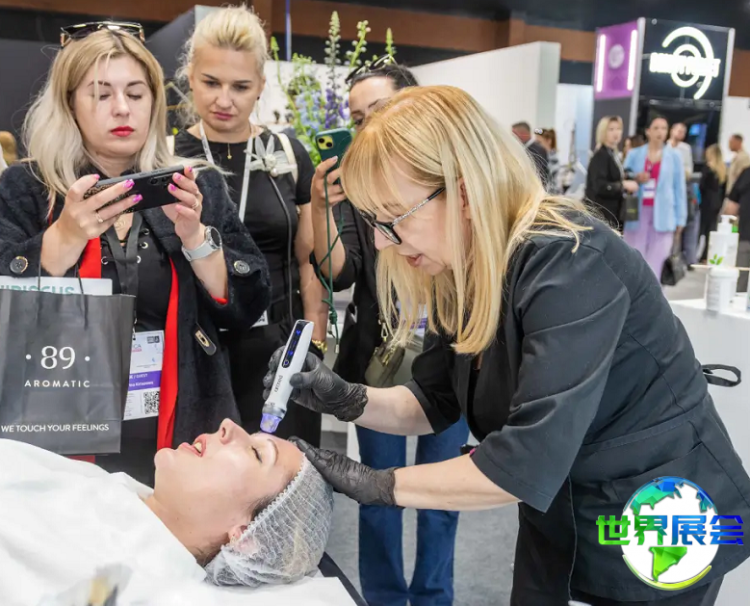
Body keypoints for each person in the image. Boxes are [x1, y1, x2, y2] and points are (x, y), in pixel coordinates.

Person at [263, 86, 750, 605]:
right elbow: (435, 400)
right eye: (373, 222)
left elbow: (526, 460)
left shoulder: (572, 262)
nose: (382, 241)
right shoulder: (465, 269)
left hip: (659, 514)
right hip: (562, 511)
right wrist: (345, 398)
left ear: (464, 192)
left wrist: (380, 484)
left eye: (393, 218)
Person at [0, 23, 270, 486]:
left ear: (154, 102)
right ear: (69, 103)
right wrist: (62, 239)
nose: (122, 108)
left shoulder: (195, 185)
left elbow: (248, 306)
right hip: (59, 428)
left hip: (181, 428)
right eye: (101, 94)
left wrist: (196, 239)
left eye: (136, 93)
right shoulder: (29, 188)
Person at [309, 58, 469, 606]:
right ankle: (382, 599)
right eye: (358, 119)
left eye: (379, 110)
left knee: (443, 494)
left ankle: (433, 598)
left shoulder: (452, 188)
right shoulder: (357, 193)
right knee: (375, 490)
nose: (368, 128)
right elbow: (339, 272)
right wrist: (322, 208)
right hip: (379, 361)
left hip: (449, 354)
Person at [173, 6, 327, 446]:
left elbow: (307, 257)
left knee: (285, 469)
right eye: (211, 83)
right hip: (199, 348)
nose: (225, 100)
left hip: (279, 345)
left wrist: (314, 335)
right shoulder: (166, 154)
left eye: (240, 86)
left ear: (260, 84)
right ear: (190, 77)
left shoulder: (287, 153)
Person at [0, 419, 333, 604]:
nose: (228, 425)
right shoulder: (110, 489)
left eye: (257, 453)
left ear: (244, 537)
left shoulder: (118, 588)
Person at [623, 116, 687, 278]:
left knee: (657, 262)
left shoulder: (674, 156)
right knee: (633, 259)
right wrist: (636, 177)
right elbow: (624, 177)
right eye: (656, 128)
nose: (660, 132)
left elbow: (679, 189)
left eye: (664, 128)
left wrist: (681, 219)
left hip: (664, 215)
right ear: (648, 131)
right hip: (636, 211)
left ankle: (654, 293)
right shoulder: (634, 154)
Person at [585, 116, 639, 230]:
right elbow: (599, 186)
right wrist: (623, 185)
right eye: (611, 129)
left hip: (611, 214)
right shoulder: (601, 155)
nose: (616, 133)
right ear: (603, 132)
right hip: (603, 215)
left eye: (618, 129)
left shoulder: (612, 154)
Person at [669, 123, 700, 266]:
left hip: (682, 191)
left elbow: (689, 170)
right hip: (666, 192)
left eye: (684, 131)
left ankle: (675, 258)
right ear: (672, 131)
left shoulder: (686, 149)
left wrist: (679, 172)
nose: (681, 133)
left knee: (681, 226)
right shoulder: (665, 147)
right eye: (679, 130)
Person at [699, 144, 727, 263]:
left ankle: (696, 254)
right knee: (711, 230)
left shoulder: (707, 169)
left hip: (706, 202)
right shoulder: (723, 170)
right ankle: (706, 255)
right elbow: (724, 190)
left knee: (700, 229)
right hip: (717, 203)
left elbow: (702, 186)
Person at [725, 166, 750, 292]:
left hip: (745, 237)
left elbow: (731, 209)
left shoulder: (747, 173)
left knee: (740, 284)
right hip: (744, 237)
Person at [537, 128, 561, 194]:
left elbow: (553, 185)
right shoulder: (543, 157)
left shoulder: (554, 160)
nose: (536, 145)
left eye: (539, 142)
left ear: (548, 141)